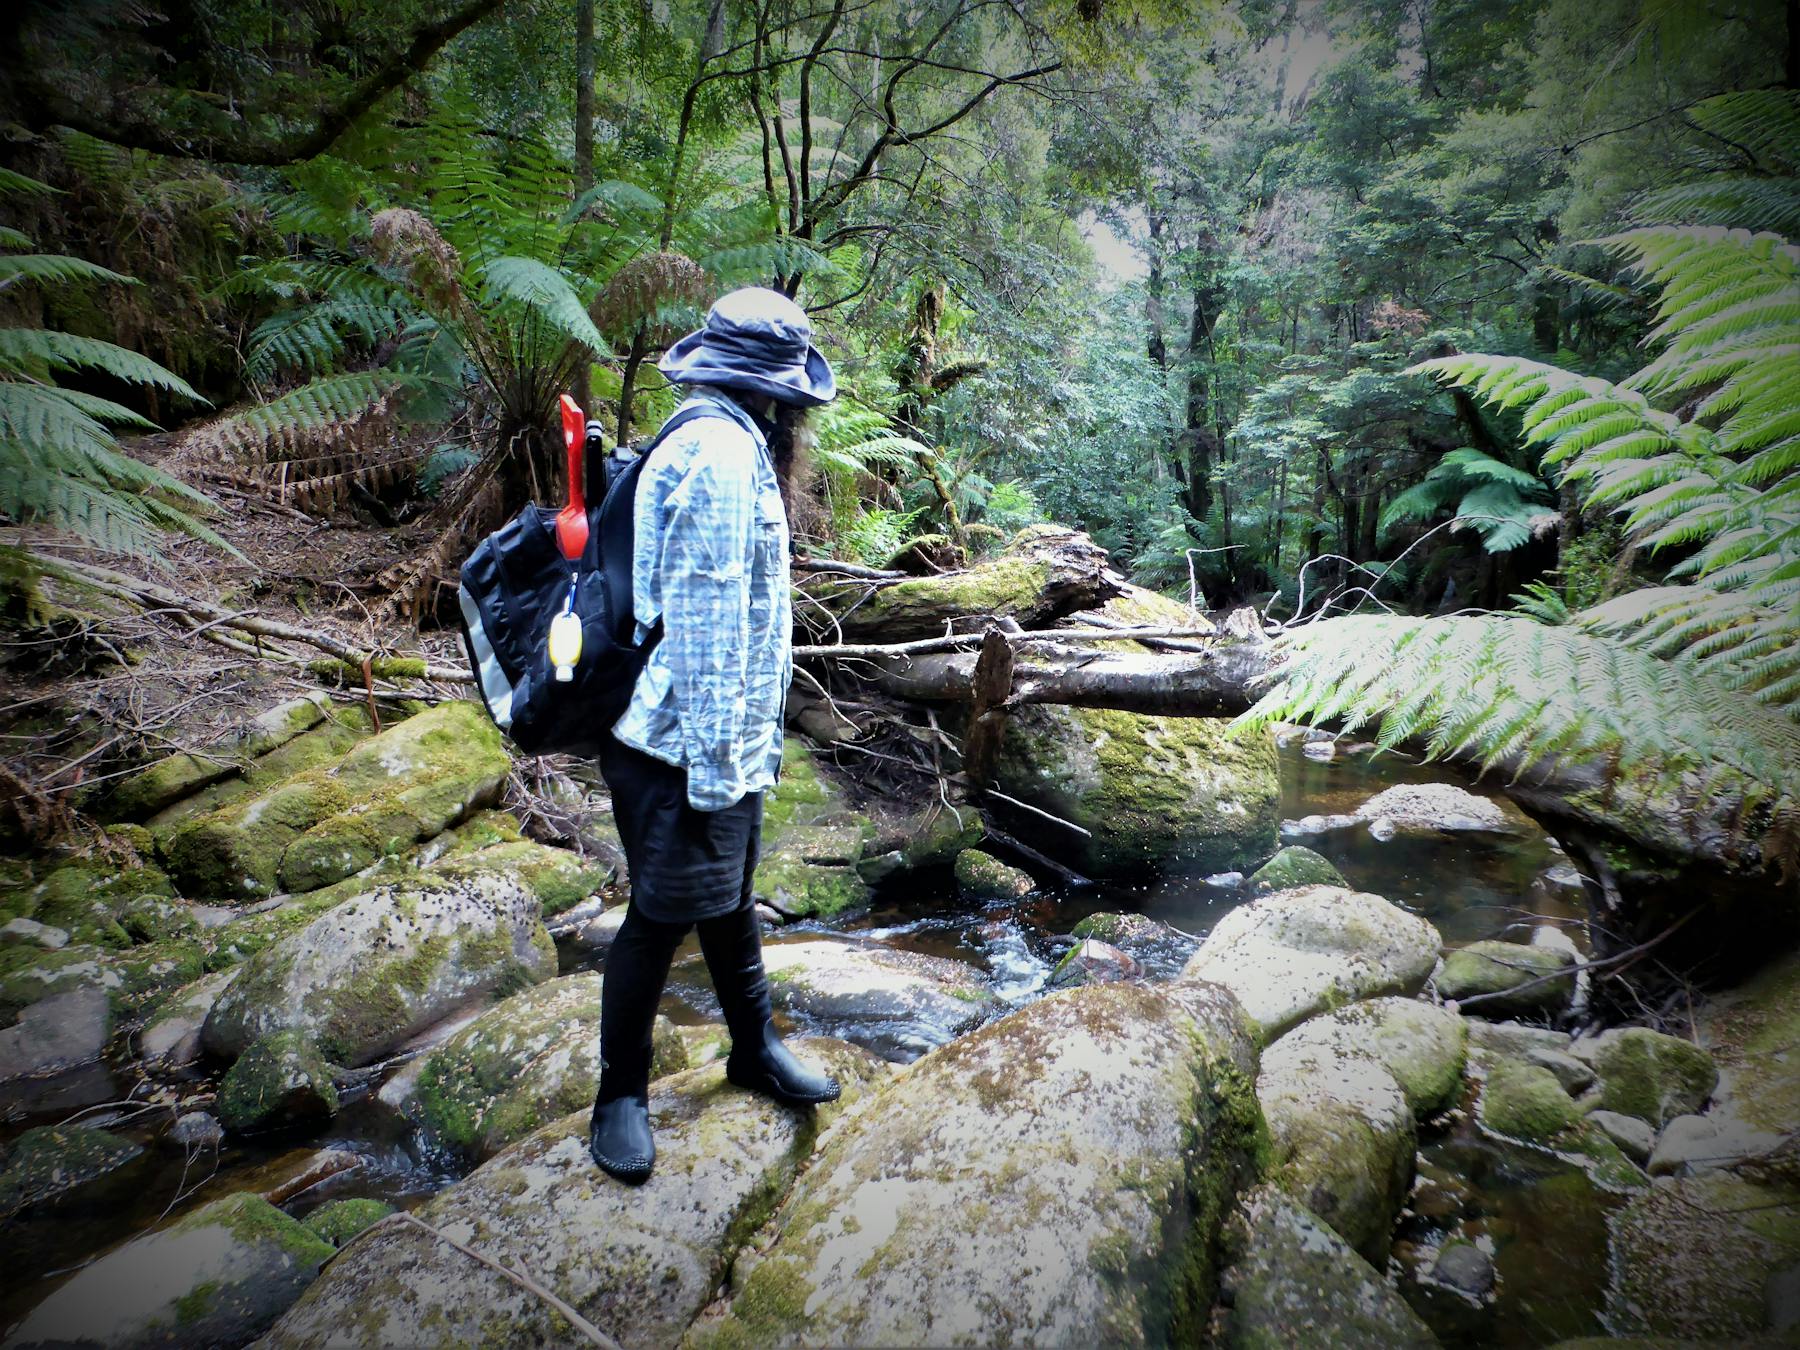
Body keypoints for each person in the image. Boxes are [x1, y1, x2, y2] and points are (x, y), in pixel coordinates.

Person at [588, 287, 842, 1185]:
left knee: (728, 897)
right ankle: (619, 1095)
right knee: (659, 917)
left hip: (690, 737)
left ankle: (753, 1048)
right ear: (777, 387)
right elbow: (704, 627)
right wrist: (718, 771)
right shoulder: (724, 455)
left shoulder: (711, 432)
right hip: (679, 743)